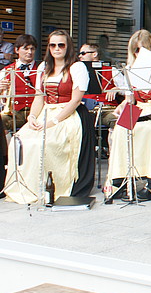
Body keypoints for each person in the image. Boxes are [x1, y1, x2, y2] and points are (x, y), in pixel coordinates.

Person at [4, 30, 93, 204]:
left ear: (68, 47)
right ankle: (26, 187)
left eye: (61, 45)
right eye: (53, 45)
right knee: (19, 141)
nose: (56, 48)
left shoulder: (77, 67)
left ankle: (51, 187)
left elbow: (75, 101)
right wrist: (32, 117)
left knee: (44, 143)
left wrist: (54, 121)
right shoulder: (44, 67)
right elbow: (39, 97)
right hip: (46, 112)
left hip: (69, 115)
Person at [106, 29, 151, 200]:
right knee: (120, 129)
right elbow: (130, 99)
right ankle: (120, 181)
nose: (139, 54)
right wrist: (122, 107)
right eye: (136, 50)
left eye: (144, 49)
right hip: (138, 108)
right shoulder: (130, 68)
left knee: (150, 129)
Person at [1, 34, 39, 131]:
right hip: (15, 113)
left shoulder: (42, 69)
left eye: (32, 49)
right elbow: (2, 99)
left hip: (37, 113)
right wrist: (1, 89)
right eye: (26, 49)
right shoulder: (6, 70)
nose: (29, 52)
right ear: (16, 50)